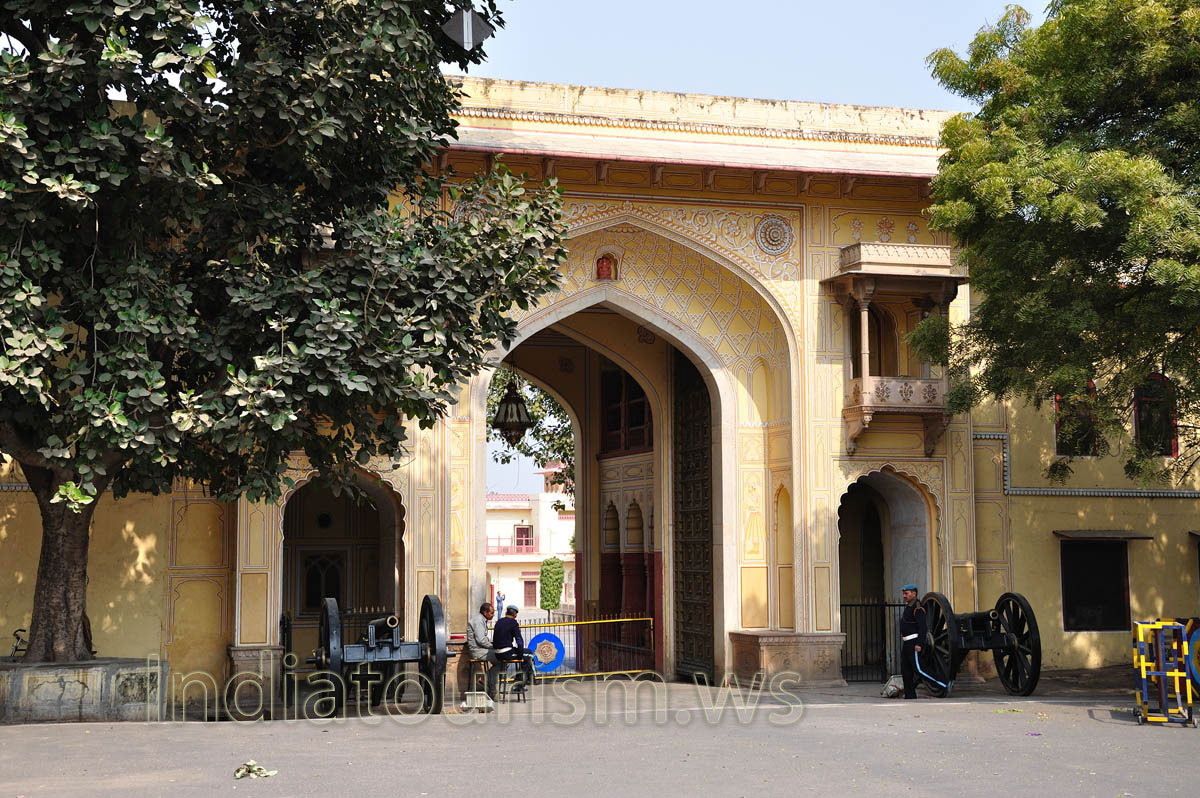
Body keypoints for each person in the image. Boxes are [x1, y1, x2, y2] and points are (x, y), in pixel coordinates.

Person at [492, 605, 535, 693]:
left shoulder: (499, 621)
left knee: (524, 654)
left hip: (497, 652)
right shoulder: (513, 623)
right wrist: (520, 654)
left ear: (505, 613)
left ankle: (523, 679)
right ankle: (521, 682)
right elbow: (519, 640)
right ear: (515, 615)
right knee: (529, 654)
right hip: (506, 652)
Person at [899, 584, 928, 699]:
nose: (904, 595)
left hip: (914, 643)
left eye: (906, 593)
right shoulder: (909, 606)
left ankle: (942, 684)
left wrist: (919, 644)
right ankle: (910, 695)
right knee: (906, 670)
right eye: (904, 593)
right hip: (906, 643)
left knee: (919, 669)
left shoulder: (918, 607)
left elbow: (922, 628)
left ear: (914, 594)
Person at [466, 601, 499, 700]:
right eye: (491, 613)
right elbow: (481, 640)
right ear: (485, 612)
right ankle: (485, 679)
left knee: (501, 659)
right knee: (503, 659)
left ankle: (490, 686)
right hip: (478, 651)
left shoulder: (481, 620)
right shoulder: (478, 621)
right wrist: (493, 647)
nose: (493, 615)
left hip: (481, 649)